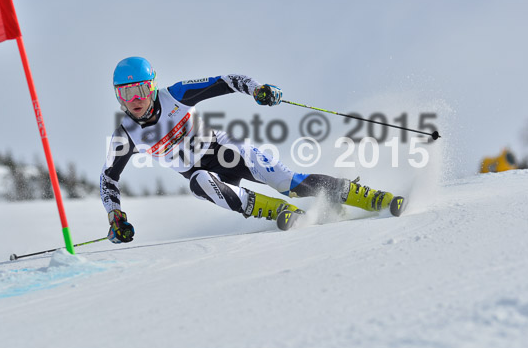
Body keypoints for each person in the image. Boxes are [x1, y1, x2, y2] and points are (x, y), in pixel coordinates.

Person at [101, 57, 403, 243]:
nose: (135, 99)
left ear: (152, 87)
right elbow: (108, 179)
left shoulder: (176, 95)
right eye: (125, 93)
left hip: (225, 150)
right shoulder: (126, 134)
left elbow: (227, 81)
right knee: (200, 182)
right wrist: (115, 216)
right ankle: (280, 212)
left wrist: (258, 89)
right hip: (202, 173)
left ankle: (362, 196)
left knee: (288, 183)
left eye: (140, 89)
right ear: (118, 97)